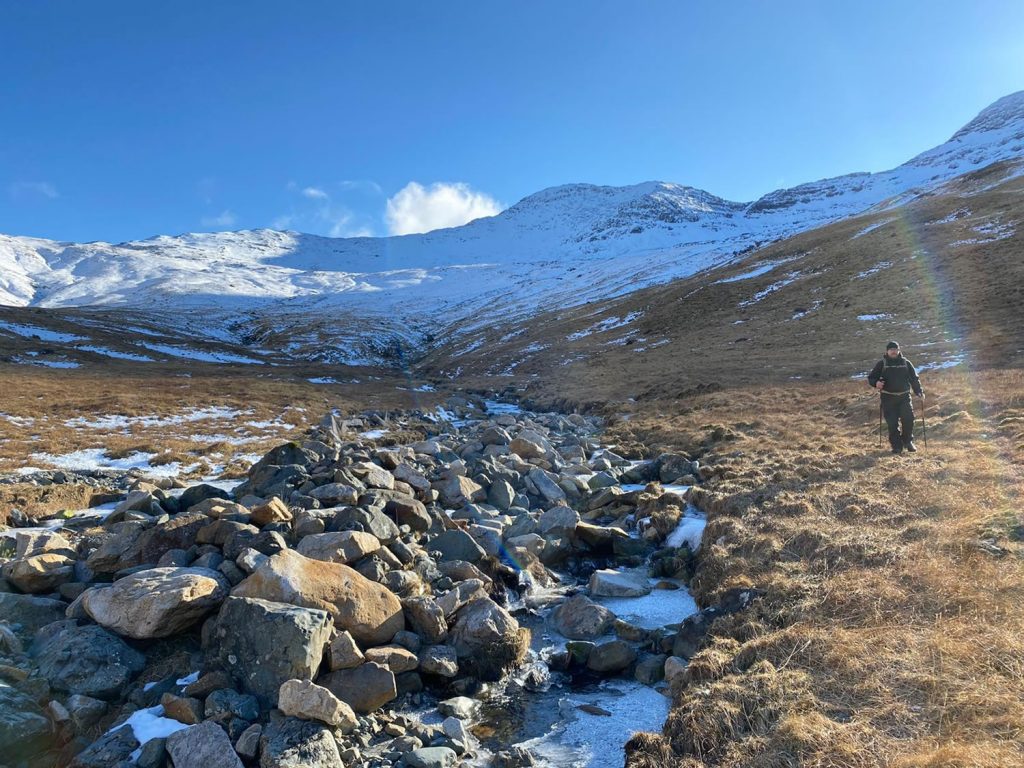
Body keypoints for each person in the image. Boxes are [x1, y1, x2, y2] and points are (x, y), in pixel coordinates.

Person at [867, 341, 924, 454]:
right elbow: (871, 378)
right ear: (887, 351)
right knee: (892, 423)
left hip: (904, 397)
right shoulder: (881, 364)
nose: (893, 351)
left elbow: (914, 379)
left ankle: (908, 442)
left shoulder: (906, 363)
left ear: (899, 351)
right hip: (888, 398)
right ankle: (897, 446)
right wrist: (876, 383)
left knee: (908, 419)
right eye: (891, 349)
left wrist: (919, 392)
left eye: (895, 349)